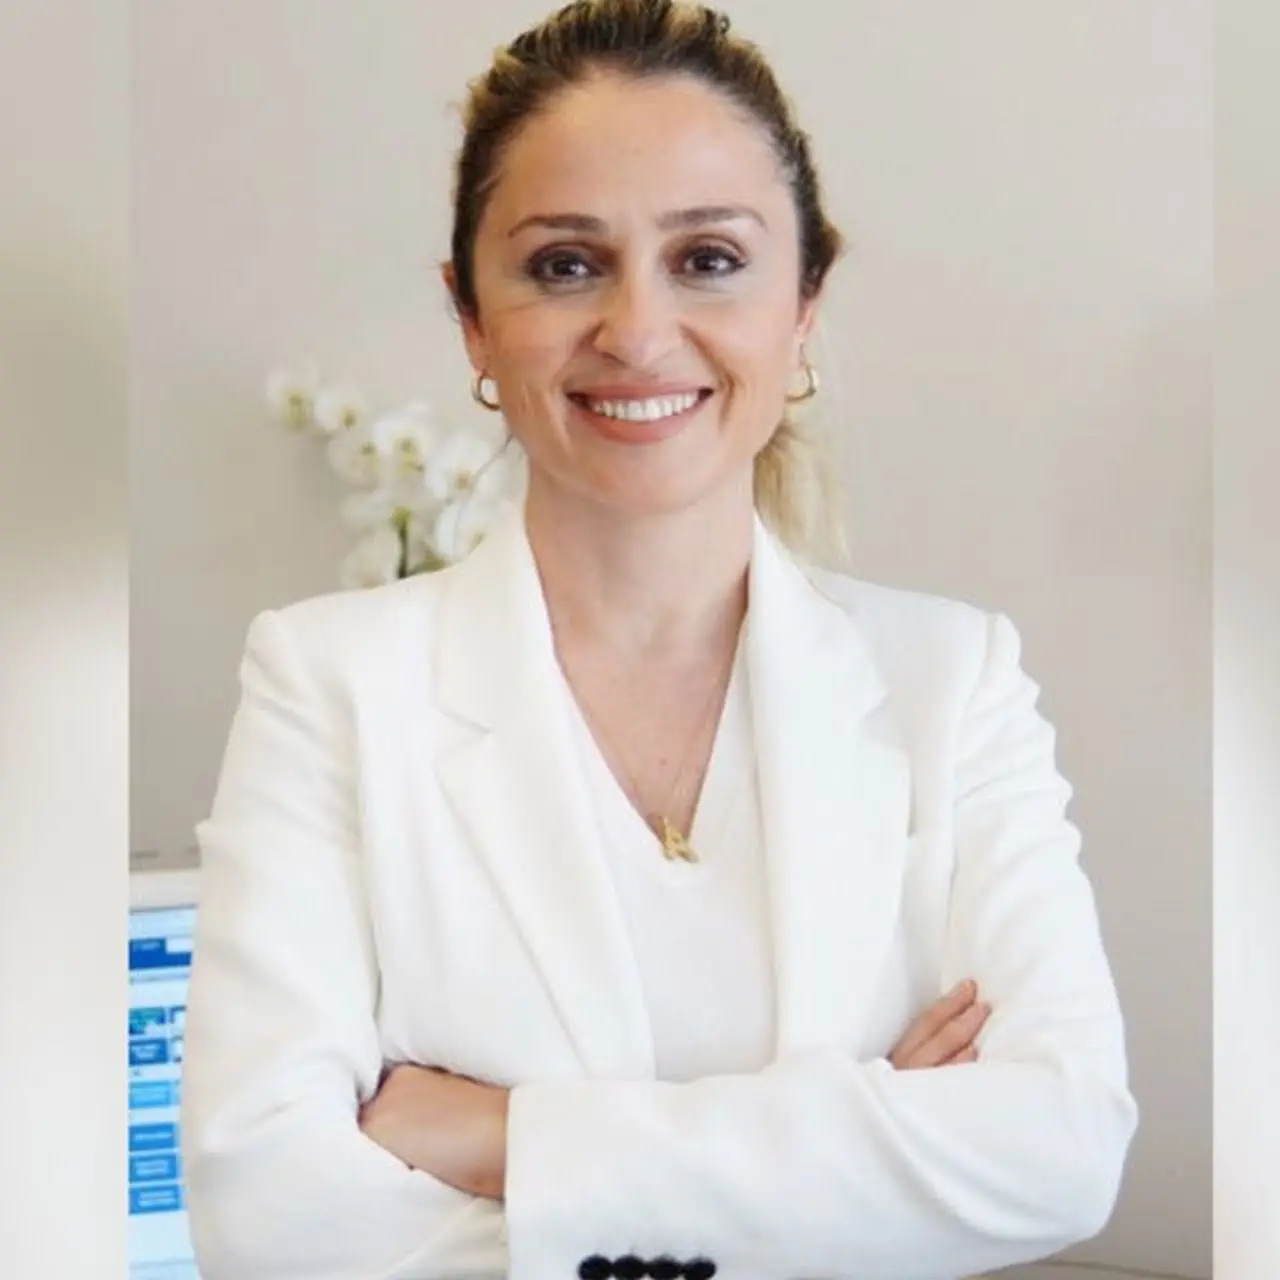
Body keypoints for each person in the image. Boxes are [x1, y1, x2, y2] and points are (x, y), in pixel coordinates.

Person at [180, 2, 1138, 1277]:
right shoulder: (331, 685)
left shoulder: (952, 683)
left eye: (708, 258)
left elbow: (1060, 1148)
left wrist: (508, 1138)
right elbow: (271, 1219)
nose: (636, 331)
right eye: (563, 265)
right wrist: (864, 1155)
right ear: (471, 318)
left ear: (802, 303)